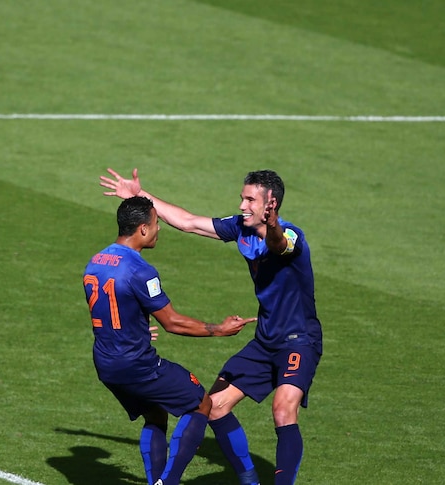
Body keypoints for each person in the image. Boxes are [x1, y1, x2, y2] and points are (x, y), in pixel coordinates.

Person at [100, 168, 323, 485]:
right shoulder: (240, 228)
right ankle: (249, 481)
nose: (243, 205)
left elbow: (279, 245)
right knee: (215, 406)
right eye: (242, 198)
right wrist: (140, 196)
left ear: (270, 205)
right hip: (264, 341)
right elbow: (188, 222)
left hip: (299, 340)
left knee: (283, 409)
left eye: (250, 200)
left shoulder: (290, 235)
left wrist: (272, 225)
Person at [84, 196, 256, 485]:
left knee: (155, 414)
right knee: (201, 403)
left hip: (106, 362)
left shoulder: (96, 261)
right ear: (141, 229)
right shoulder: (140, 270)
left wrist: (133, 331)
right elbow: (172, 322)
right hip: (137, 364)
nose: (159, 229)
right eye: (156, 223)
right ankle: (169, 482)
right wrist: (219, 329)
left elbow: (108, 311)